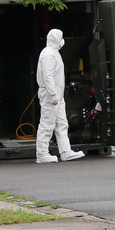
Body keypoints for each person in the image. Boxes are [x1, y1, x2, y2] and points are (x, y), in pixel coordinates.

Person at [35, 29, 85, 163]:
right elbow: (48, 76)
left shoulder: (54, 53)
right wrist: (52, 94)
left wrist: (56, 94)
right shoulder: (48, 54)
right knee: (47, 123)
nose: (62, 40)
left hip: (57, 95)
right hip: (50, 95)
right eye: (61, 37)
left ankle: (65, 151)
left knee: (62, 123)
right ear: (55, 39)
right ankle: (42, 154)